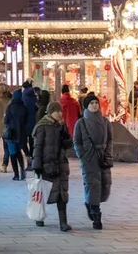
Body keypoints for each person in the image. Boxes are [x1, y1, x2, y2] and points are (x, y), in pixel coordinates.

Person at [73, 94, 113, 231]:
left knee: (104, 185)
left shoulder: (105, 121)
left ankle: (90, 204)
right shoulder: (81, 123)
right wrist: (82, 155)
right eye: (91, 103)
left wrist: (108, 154)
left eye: (96, 103)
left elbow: (110, 140)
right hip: (89, 158)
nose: (94, 105)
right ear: (86, 106)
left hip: (102, 157)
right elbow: (76, 141)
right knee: (92, 185)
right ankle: (96, 215)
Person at [32, 101, 73, 232]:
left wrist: (65, 135)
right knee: (44, 192)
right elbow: (38, 147)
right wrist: (37, 166)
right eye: (58, 111)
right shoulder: (42, 126)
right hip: (46, 165)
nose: (61, 114)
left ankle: (63, 222)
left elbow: (68, 144)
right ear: (51, 112)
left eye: (61, 111)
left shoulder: (61, 125)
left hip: (60, 164)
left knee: (62, 193)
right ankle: (39, 217)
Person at [3, 90, 28, 180]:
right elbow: (26, 121)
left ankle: (16, 174)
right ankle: (22, 170)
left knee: (13, 153)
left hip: (11, 133)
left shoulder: (10, 107)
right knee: (19, 152)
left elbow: (6, 121)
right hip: (21, 133)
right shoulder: (24, 107)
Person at [21, 82, 38, 156]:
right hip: (33, 120)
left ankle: (27, 154)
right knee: (32, 139)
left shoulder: (23, 98)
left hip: (24, 121)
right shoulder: (35, 98)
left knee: (23, 139)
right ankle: (32, 153)